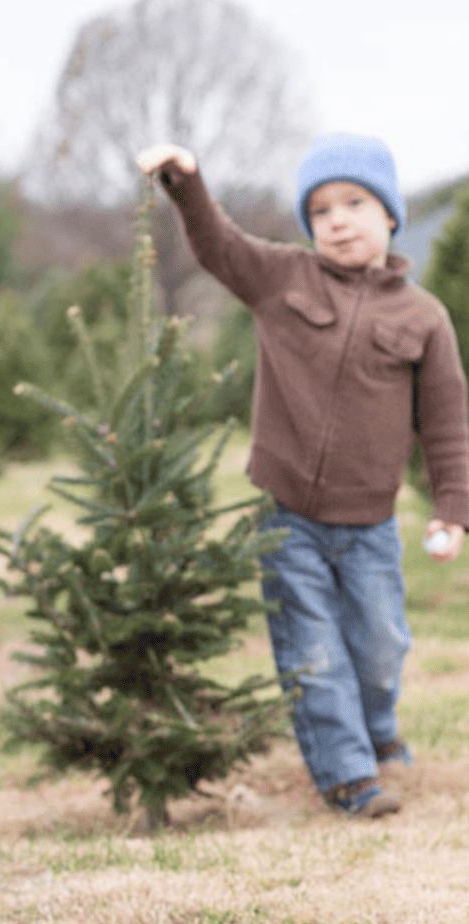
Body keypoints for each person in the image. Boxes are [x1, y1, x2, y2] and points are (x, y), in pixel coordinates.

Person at [136, 133, 469, 817]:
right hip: (288, 518)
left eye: (354, 202)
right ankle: (348, 777)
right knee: (312, 650)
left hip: (372, 524)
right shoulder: (281, 277)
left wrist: (452, 507)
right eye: (320, 211)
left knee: (381, 650)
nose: (338, 220)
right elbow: (217, 245)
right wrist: (187, 182)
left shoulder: (424, 317)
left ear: (390, 215)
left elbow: (446, 424)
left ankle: (377, 732)